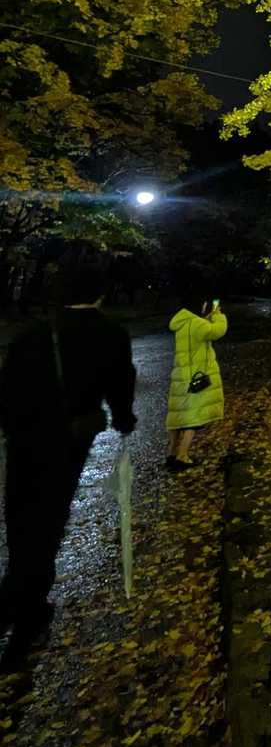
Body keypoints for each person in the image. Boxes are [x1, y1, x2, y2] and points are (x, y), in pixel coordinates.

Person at [0, 266, 136, 666]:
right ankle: (26, 615)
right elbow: (121, 385)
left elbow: (6, 388)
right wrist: (122, 418)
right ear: (101, 293)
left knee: (20, 518)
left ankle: (14, 591)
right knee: (48, 521)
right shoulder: (111, 333)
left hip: (24, 440)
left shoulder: (34, 333)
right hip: (66, 444)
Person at [165, 297, 228, 471]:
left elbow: (199, 332)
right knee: (193, 418)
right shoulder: (197, 324)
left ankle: (171, 454)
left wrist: (206, 318)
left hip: (180, 376)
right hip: (195, 377)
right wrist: (218, 315)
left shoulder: (183, 323)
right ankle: (182, 456)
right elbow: (217, 331)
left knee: (177, 417)